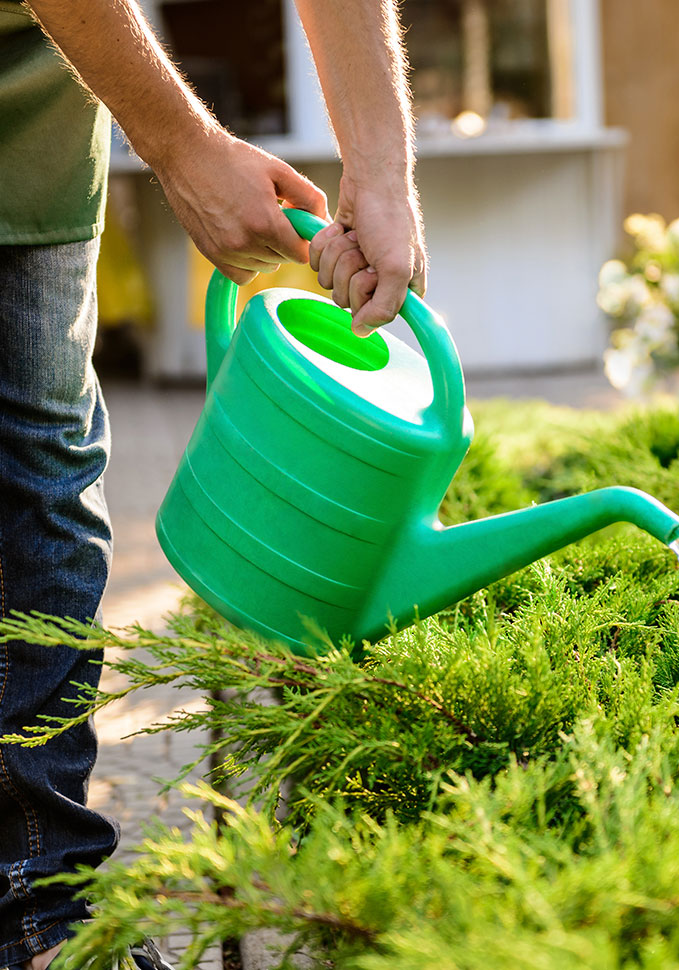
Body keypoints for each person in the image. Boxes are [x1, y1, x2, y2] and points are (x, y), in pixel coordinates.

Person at [0, 1, 426, 968]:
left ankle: (41, 915)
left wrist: (382, 168)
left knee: (43, 480)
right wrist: (183, 146)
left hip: (38, 82)